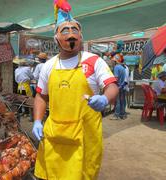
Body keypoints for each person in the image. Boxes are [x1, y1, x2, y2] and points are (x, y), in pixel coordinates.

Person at [32, 4, 119, 180]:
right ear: (56, 38)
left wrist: (104, 98)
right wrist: (37, 121)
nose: (70, 35)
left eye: (74, 30)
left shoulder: (94, 61)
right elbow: (41, 95)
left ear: (80, 36)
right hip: (56, 137)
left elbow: (112, 87)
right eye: (65, 31)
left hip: (85, 137)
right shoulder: (49, 65)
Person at [110, 52, 127, 120]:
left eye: (113, 61)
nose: (112, 62)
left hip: (118, 86)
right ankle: (122, 114)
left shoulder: (116, 67)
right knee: (122, 101)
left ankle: (116, 115)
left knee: (118, 101)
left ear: (115, 61)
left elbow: (116, 78)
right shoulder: (123, 68)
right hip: (122, 86)